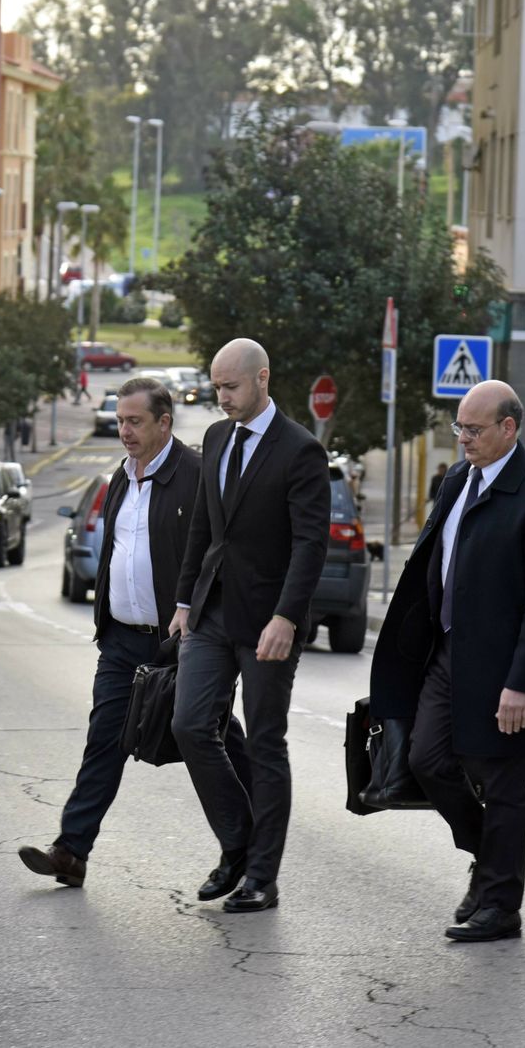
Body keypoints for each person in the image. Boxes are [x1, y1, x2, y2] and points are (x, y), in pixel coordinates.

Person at [19, 377, 251, 887]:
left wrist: (201, 617)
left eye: (134, 421)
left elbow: (220, 551)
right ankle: (71, 851)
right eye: (121, 421)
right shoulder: (122, 477)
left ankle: (253, 842)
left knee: (209, 736)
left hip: (183, 638)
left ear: (164, 423)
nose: (124, 430)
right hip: (123, 640)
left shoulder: (196, 475)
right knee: (105, 738)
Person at [369, 380, 525, 942]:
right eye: (459, 427)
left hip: (506, 671)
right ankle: (489, 860)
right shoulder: (459, 480)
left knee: (505, 784)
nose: (463, 439)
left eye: (474, 430)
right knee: (426, 759)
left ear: (509, 428)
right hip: (448, 653)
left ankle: (501, 905)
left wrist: (522, 684)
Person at [168, 338, 330, 913]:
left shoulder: (300, 451)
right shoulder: (215, 438)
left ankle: (262, 876)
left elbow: (312, 544)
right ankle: (238, 844)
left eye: (230, 387)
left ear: (262, 379)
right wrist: (186, 601)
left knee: (264, 744)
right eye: (215, 388)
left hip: (267, 623)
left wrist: (287, 616)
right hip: (210, 613)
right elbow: (203, 531)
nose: (221, 398)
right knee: (189, 726)